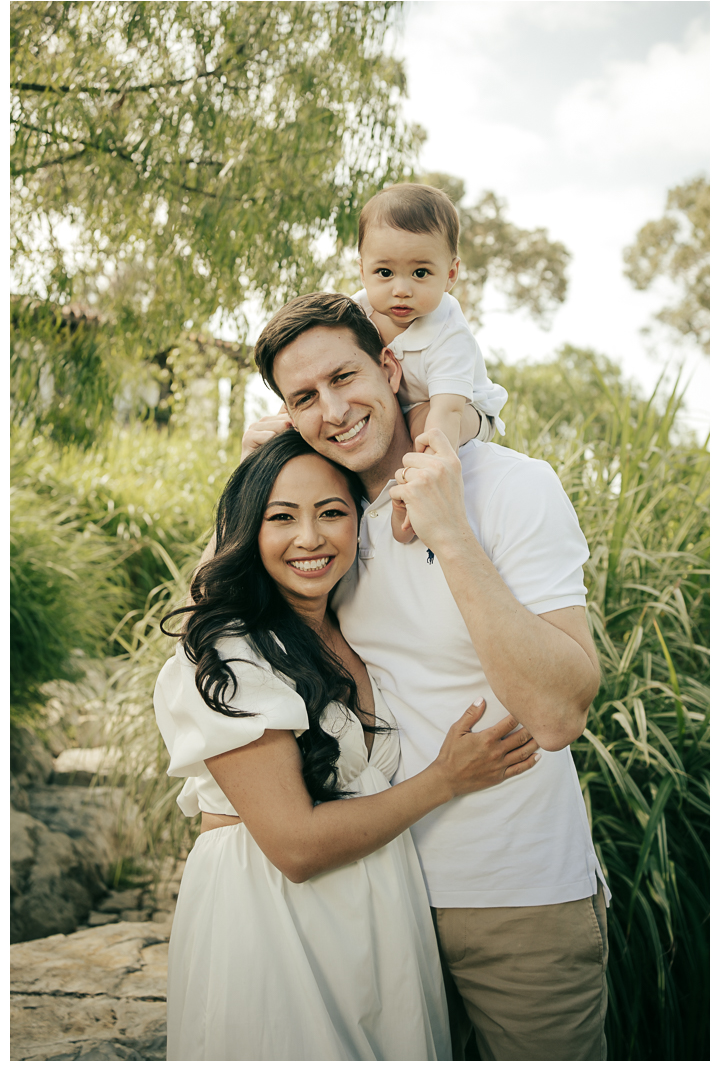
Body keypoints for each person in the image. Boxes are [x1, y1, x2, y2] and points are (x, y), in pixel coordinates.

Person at [244, 291, 611, 1061]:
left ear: (388, 364)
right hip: (378, 896)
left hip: (520, 896)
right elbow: (233, 639)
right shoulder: (326, 521)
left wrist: (449, 528)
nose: (335, 409)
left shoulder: (512, 486)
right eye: (305, 398)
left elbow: (556, 715)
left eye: (345, 377)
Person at [154, 429, 540, 1061]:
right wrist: (445, 779)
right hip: (274, 918)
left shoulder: (347, 629)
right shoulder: (228, 650)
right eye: (282, 518)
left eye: (331, 513)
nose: (310, 538)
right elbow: (295, 846)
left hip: (376, 917)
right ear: (247, 531)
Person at [353, 182, 508, 543]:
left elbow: (446, 415)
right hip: (399, 404)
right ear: (363, 271)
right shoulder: (355, 311)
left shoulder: (449, 334)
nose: (401, 289)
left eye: (420, 273)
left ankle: (410, 507)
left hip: (462, 408)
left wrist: (426, 475)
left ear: (450, 275)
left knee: (423, 426)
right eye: (385, 273)